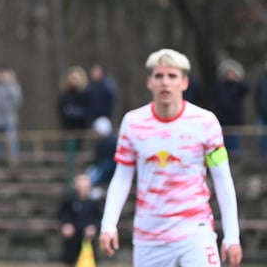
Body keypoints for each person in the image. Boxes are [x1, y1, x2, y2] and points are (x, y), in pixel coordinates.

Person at [99, 49, 242, 266]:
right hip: (149, 235)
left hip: (195, 231)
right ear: (149, 82)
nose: (165, 82)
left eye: (172, 76)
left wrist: (232, 237)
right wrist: (108, 225)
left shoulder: (205, 122)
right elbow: (122, 178)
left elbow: (222, 178)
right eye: (159, 76)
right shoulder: (133, 123)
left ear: (184, 82)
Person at [58, 173, 99, 267]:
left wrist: (93, 227)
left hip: (88, 238)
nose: (82, 188)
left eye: (85, 186)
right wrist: (66, 225)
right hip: (73, 236)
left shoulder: (94, 202)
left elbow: (98, 218)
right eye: (80, 185)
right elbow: (62, 214)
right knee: (69, 259)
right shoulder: (69, 200)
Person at [214, 59, 248, 153]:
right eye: (228, 72)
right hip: (223, 121)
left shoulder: (239, 87)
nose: (229, 75)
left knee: (235, 147)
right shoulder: (220, 87)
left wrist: (236, 81)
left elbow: (245, 89)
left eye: (232, 72)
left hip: (235, 121)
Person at [85, 117, 116, 196]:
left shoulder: (112, 143)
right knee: (91, 170)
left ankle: (92, 188)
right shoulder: (100, 143)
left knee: (102, 169)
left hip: (109, 169)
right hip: (102, 167)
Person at [256, 59, 267, 159]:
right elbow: (256, 97)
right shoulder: (261, 81)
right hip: (262, 114)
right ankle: (262, 157)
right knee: (262, 136)